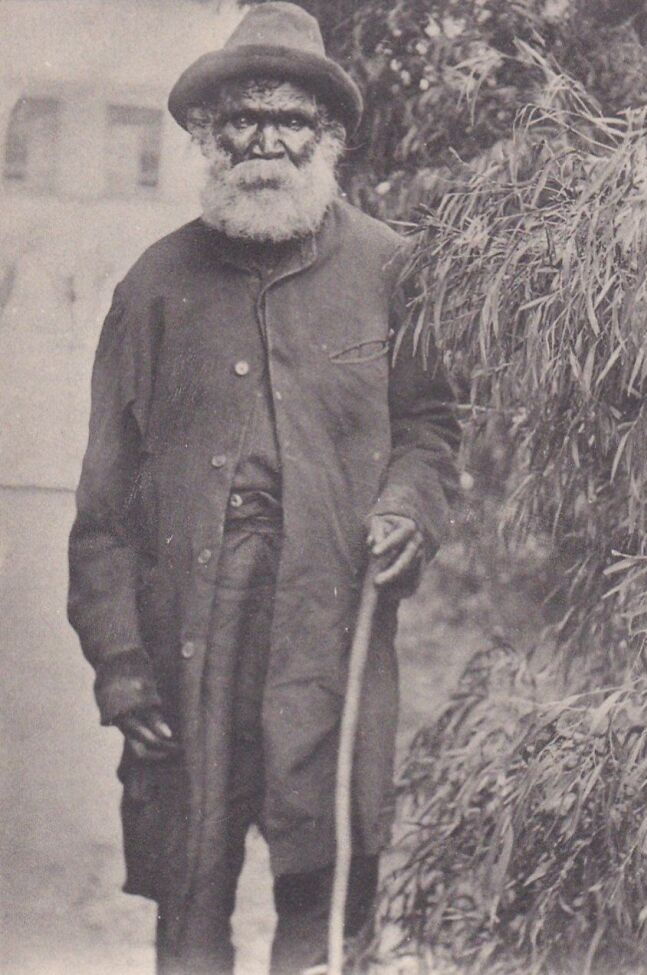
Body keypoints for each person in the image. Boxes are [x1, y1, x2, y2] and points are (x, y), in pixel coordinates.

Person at [67, 4, 459, 973]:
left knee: (324, 892)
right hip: (185, 630)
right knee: (189, 887)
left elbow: (431, 430)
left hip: (329, 618)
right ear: (208, 134)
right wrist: (118, 660)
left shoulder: (391, 268)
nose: (265, 142)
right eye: (243, 118)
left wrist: (408, 505)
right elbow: (103, 506)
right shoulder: (153, 286)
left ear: (325, 136)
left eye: (290, 121)